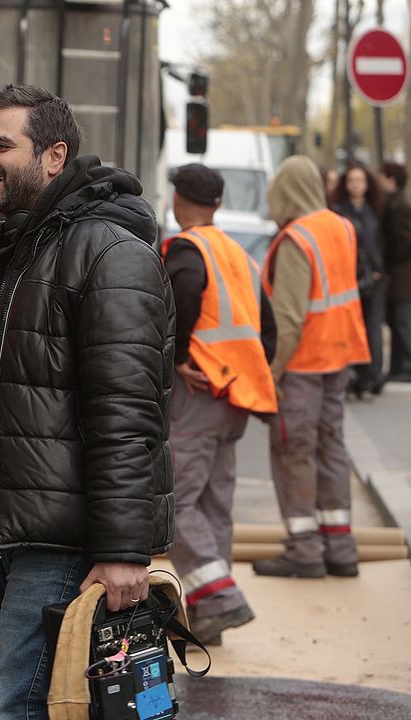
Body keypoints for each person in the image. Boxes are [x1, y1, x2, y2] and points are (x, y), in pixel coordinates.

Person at [0, 84, 175, 720]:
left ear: (54, 156)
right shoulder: (16, 246)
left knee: (11, 705)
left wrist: (123, 552)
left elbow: (126, 418)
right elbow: (29, 394)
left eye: (2, 145)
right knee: (52, 706)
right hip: (26, 531)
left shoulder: (108, 253)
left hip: (67, 541)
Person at [161, 164, 277, 645]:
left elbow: (179, 300)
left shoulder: (188, 250)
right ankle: (211, 614)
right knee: (213, 504)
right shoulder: (239, 255)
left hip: (199, 392)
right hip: (236, 395)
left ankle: (221, 599)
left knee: (175, 500)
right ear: (219, 204)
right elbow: (268, 330)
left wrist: (179, 357)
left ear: (177, 200)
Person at [254, 156, 370, 579]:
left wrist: (272, 373)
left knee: (294, 452)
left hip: (302, 363)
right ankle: (340, 545)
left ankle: (304, 549)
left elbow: (289, 319)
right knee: (331, 447)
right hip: (339, 356)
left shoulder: (295, 239)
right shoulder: (341, 226)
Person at [331, 164, 385, 397]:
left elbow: (385, 242)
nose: (356, 185)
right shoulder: (338, 211)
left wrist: (378, 268)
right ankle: (353, 377)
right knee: (351, 327)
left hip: (373, 277)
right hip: (348, 278)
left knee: (372, 327)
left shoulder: (375, 211)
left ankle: (371, 376)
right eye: (351, 180)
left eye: (360, 180)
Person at [378, 162, 411, 382]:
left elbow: (404, 240)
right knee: (396, 321)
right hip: (398, 274)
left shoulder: (400, 205)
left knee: (402, 321)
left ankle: (405, 366)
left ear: (391, 179)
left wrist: (391, 261)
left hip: (403, 274)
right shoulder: (394, 202)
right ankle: (398, 367)